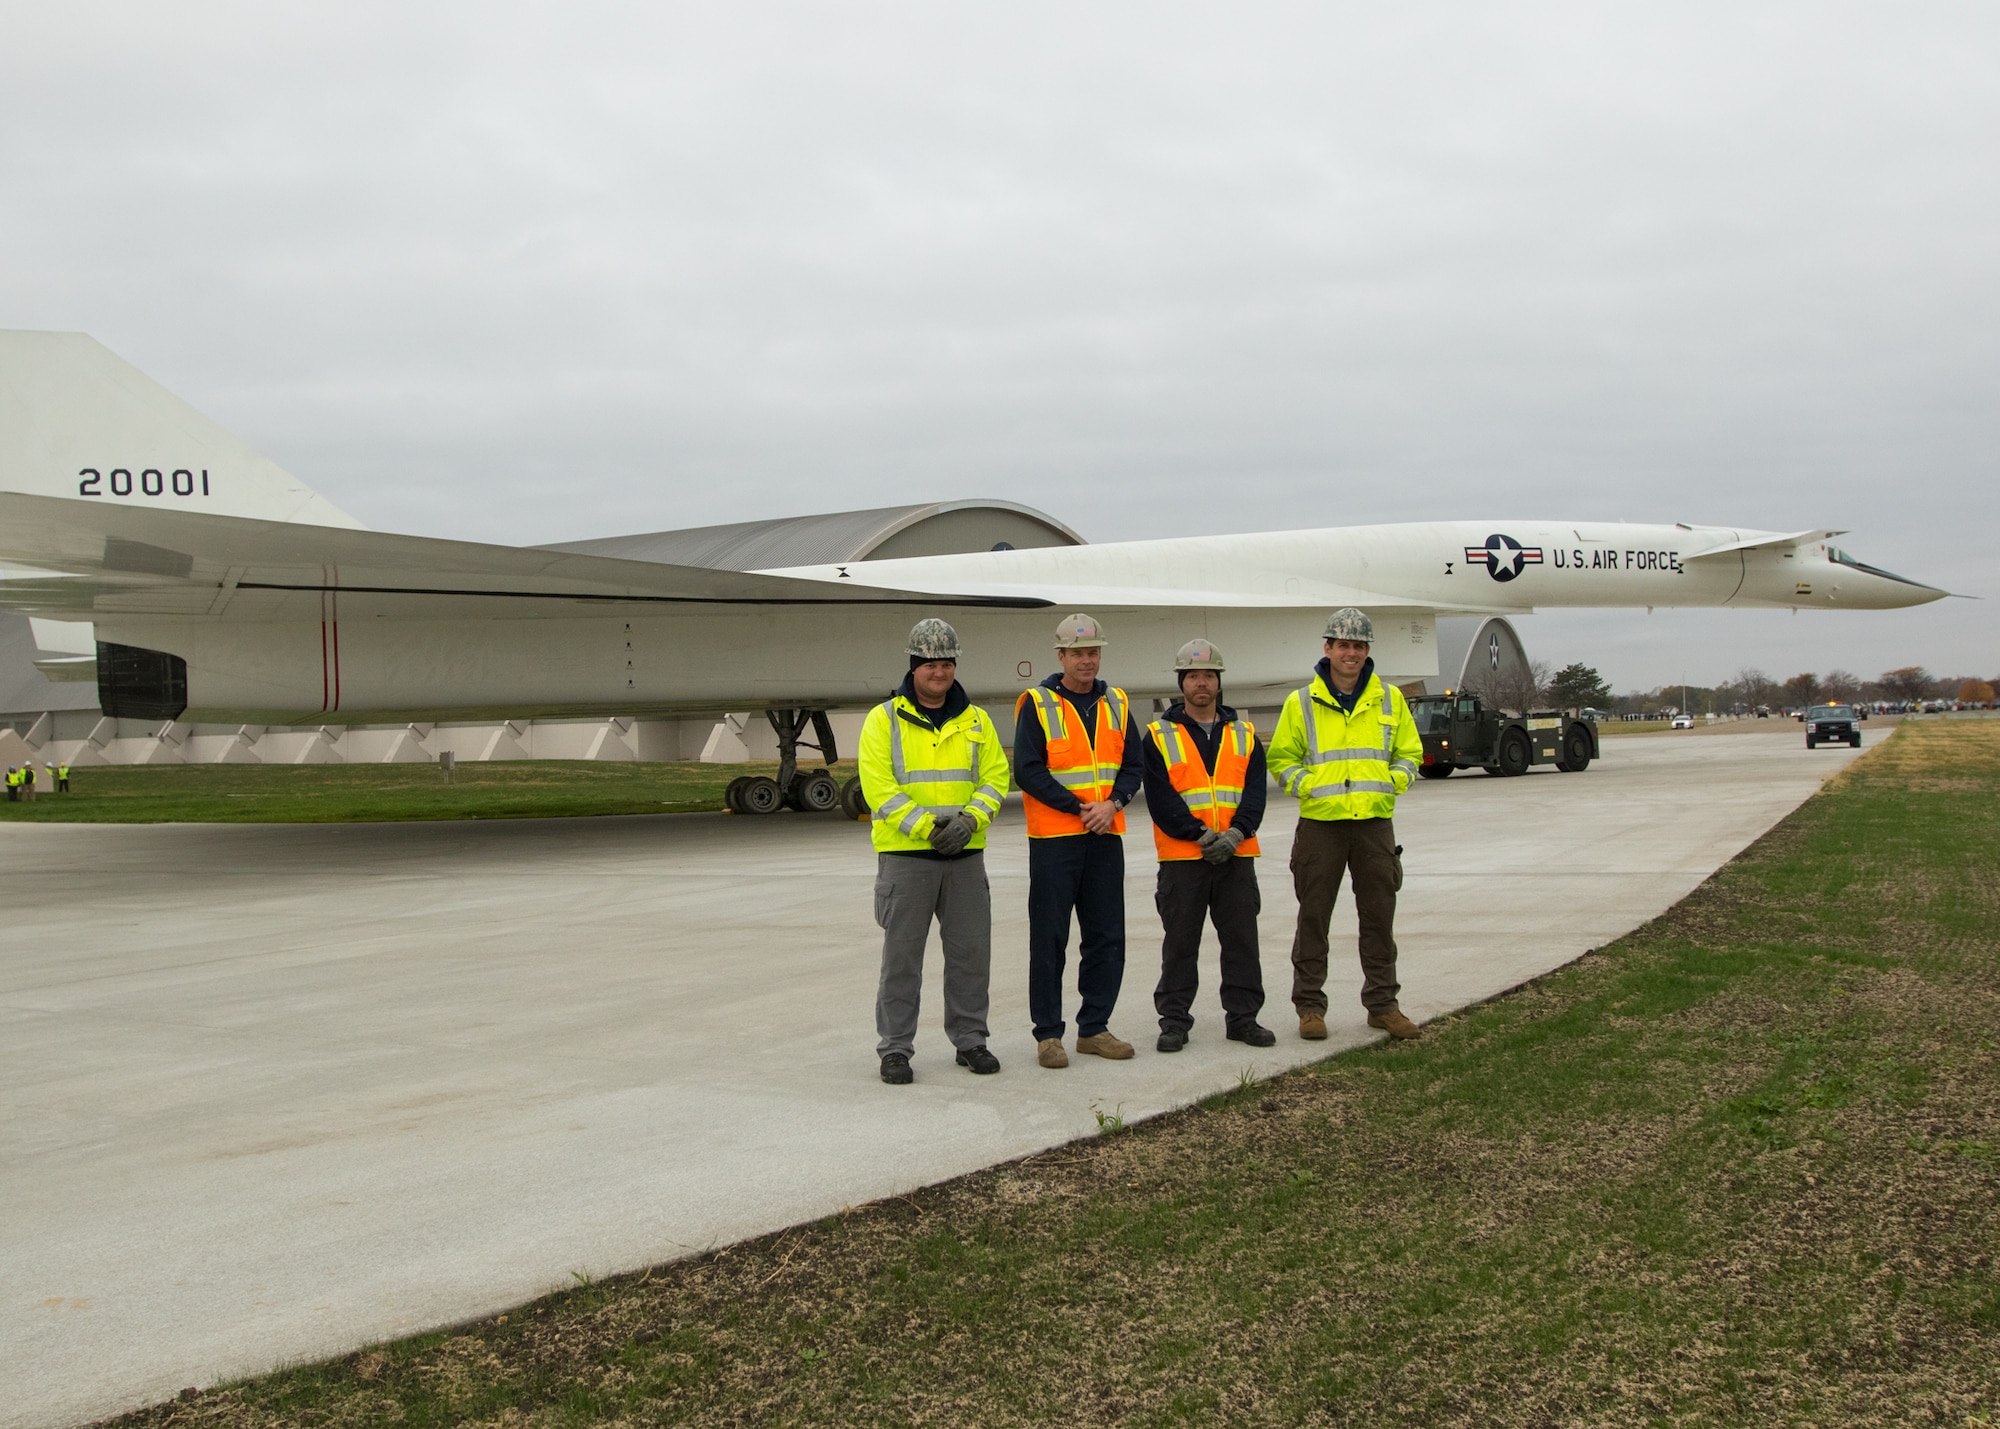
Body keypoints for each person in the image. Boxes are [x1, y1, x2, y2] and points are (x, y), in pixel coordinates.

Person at [858, 618, 1011, 1085]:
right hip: (908, 860)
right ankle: (896, 1050)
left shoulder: (977, 721)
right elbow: (879, 789)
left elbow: (996, 779)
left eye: (946, 663)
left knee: (970, 956)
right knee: (902, 961)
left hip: (965, 859)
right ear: (913, 665)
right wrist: (930, 828)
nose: (938, 672)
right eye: (929, 664)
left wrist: (969, 822)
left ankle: (971, 1040)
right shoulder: (883, 720)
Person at [1268, 607, 1425, 1041]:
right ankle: (1310, 1008)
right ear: (1328, 649)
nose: (1350, 653)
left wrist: (1393, 783)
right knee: (1314, 918)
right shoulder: (1301, 702)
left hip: (1375, 824)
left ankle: (1383, 1005)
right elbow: (1281, 758)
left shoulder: (1390, 699)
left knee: (1378, 917)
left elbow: (1410, 754)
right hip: (1321, 826)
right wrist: (1310, 786)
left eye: (1358, 646)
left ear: (1367, 650)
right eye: (1343, 645)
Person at [1013, 613, 1145, 1067]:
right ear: (1061, 656)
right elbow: (1028, 771)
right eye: (1078, 653)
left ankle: (1095, 1028)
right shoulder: (1037, 702)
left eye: (1093, 652)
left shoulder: (1118, 702)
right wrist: (1081, 807)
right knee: (1049, 939)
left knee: (1107, 936)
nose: (1087, 661)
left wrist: (1114, 804)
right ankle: (1048, 1035)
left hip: (1106, 836)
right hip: (1055, 841)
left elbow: (1133, 765)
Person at [1141, 638, 1274, 1053]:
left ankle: (1243, 1018)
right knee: (1180, 943)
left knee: (1241, 942)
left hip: (1236, 856)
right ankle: (1175, 1021)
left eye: (1209, 676)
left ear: (1219, 682)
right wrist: (1199, 835)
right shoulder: (1158, 736)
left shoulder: (1245, 734)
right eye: (1194, 676)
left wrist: (1236, 835)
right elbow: (1161, 799)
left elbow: (1255, 794)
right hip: (1184, 858)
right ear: (1182, 683)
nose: (1202, 684)